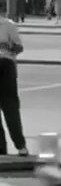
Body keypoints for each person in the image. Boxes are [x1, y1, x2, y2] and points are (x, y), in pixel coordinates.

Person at [0, 9, 28, 156]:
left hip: (5, 64)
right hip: (7, 65)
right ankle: (21, 146)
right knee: (11, 107)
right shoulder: (9, 25)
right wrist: (9, 47)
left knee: (10, 107)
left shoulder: (7, 24)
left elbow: (18, 47)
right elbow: (19, 47)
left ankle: (3, 149)